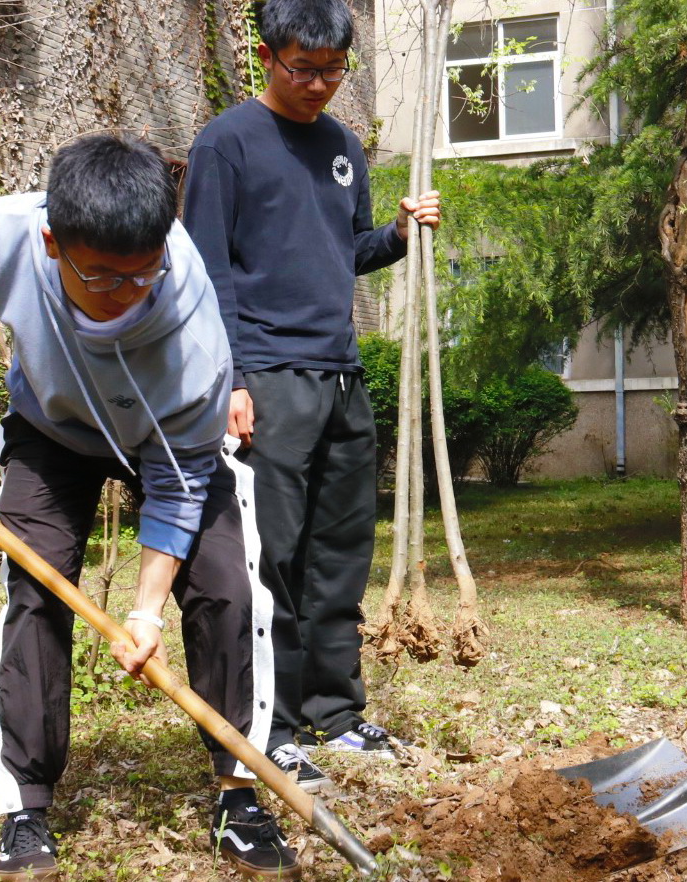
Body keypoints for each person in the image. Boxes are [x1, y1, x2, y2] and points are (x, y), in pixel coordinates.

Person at [0, 134, 302, 881]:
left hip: (167, 444)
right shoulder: (5, 235)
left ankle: (238, 795)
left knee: (225, 582)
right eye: (101, 276)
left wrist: (143, 614)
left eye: (144, 274)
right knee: (34, 590)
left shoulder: (193, 342)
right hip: (53, 427)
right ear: (51, 242)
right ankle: (26, 807)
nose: (128, 293)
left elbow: (180, 484)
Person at [182, 0, 440, 785]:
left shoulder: (342, 147)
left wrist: (395, 237)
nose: (320, 85)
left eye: (333, 71)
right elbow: (204, 273)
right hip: (265, 378)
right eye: (305, 69)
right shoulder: (226, 143)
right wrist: (227, 378)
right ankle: (274, 724)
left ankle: (338, 713)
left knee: (338, 555)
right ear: (268, 56)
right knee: (273, 559)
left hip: (340, 375)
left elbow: (343, 250)